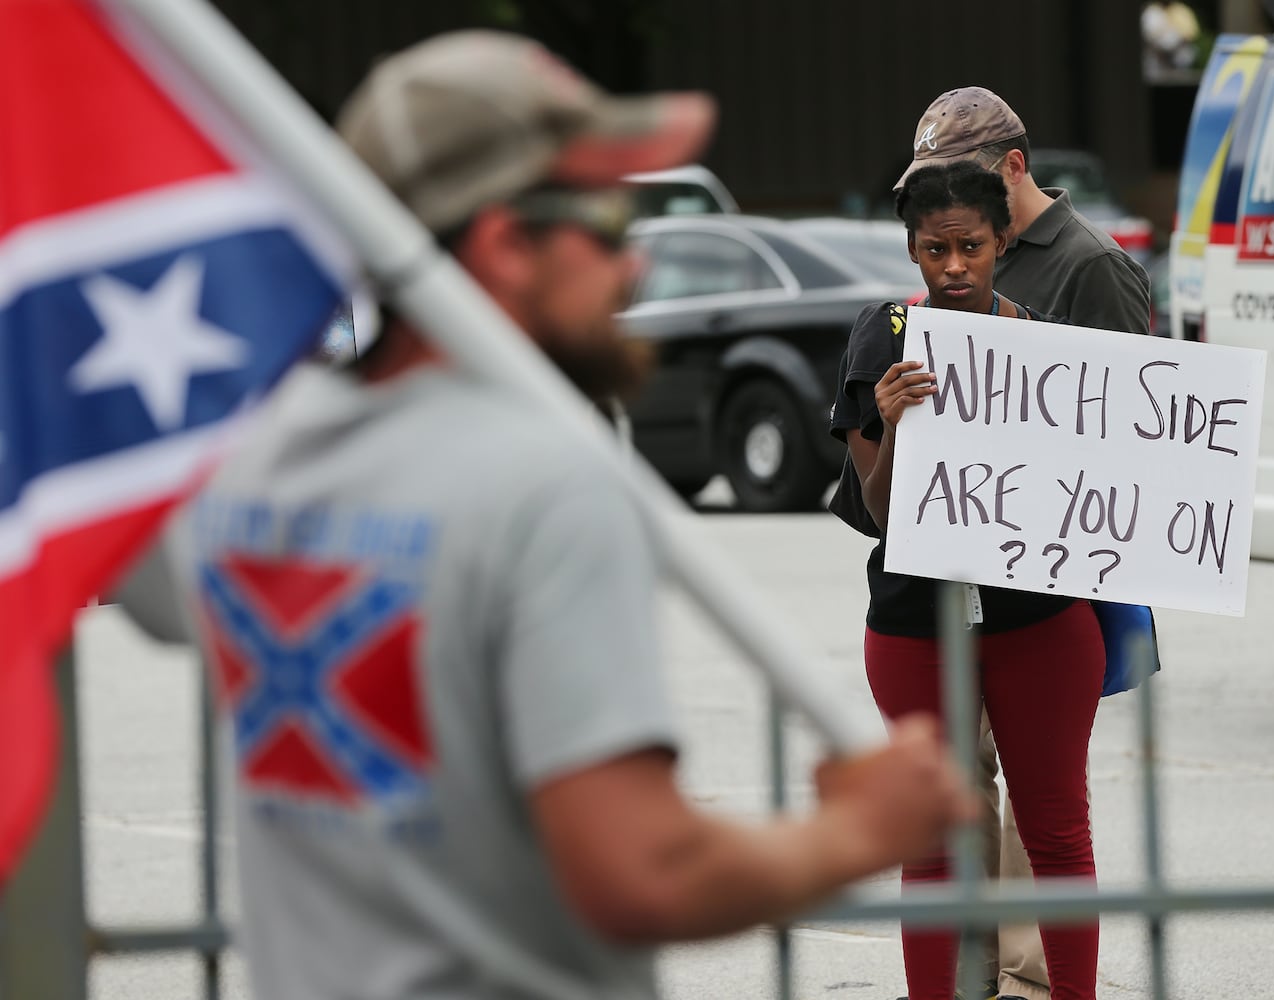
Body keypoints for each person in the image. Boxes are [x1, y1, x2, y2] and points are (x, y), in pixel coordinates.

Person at [119, 31, 975, 1000]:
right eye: (608, 225)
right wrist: (855, 832)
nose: (635, 270)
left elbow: (137, 581)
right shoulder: (545, 483)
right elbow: (639, 870)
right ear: (503, 247)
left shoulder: (257, 458)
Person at [894, 86, 1151, 1000]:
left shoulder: (1090, 268)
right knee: (955, 796)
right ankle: (970, 977)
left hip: (1041, 592)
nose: (950, 242)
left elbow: (1133, 442)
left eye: (957, 190)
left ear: (1011, 169)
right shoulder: (950, 265)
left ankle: (1033, 977)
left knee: (1035, 810)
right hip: (950, 586)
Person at [830, 160, 1106, 1000]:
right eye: (934, 249)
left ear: (1001, 244)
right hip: (917, 624)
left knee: (1056, 832)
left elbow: (1086, 497)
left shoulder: (1042, 344)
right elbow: (881, 516)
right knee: (931, 842)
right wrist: (892, 421)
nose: (953, 266)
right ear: (910, 251)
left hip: (1038, 623)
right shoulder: (880, 336)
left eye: (972, 247)